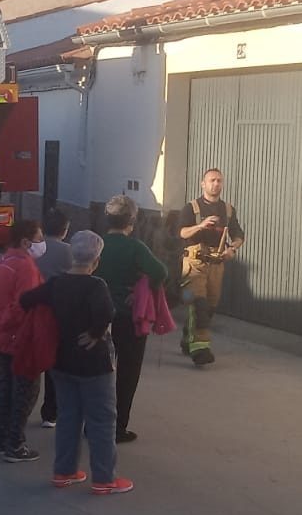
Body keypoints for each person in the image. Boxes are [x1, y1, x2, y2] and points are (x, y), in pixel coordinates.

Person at [20, 231, 134, 495]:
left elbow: (26, 300)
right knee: (102, 419)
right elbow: (107, 312)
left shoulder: (57, 284)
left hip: (62, 360)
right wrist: (94, 333)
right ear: (96, 260)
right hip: (94, 364)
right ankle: (104, 478)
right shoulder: (96, 286)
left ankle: (64, 471)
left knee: (69, 416)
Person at [94, 195, 167, 444]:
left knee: (96, 373)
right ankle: (118, 428)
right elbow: (160, 271)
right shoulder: (136, 247)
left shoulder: (98, 244)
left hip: (98, 317)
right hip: (127, 317)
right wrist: (140, 290)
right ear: (132, 221)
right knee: (128, 371)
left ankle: (92, 423)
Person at [0, 219, 45, 463]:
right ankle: (15, 444)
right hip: (20, 338)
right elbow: (24, 304)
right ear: (26, 242)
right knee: (25, 389)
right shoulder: (26, 267)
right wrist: (2, 320)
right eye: (38, 238)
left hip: (1, 339)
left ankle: (0, 438)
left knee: (5, 386)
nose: (41, 243)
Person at [178, 168, 245, 366]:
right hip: (194, 264)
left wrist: (232, 248)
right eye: (212, 180)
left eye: (219, 181)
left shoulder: (228, 210)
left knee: (210, 308)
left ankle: (187, 339)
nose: (216, 184)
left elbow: (239, 235)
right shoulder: (191, 208)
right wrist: (201, 225)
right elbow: (182, 233)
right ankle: (201, 350)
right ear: (203, 184)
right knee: (198, 304)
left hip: (216, 264)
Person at [35, 207, 73, 429]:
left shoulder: (33, 250)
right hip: (59, 312)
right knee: (55, 363)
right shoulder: (69, 251)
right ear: (65, 230)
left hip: (34, 309)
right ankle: (50, 412)